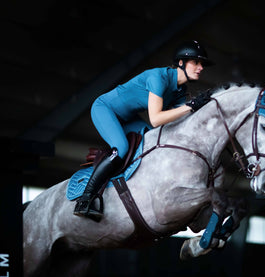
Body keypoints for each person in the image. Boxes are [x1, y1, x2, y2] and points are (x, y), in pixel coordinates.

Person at [74, 40, 214, 221]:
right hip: (105, 109)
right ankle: (85, 198)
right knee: (121, 148)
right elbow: (156, 119)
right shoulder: (159, 78)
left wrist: (202, 110)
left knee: (153, 142)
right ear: (181, 63)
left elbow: (179, 118)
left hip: (128, 118)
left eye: (202, 64)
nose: (201, 67)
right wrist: (190, 106)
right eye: (196, 62)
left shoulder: (180, 89)